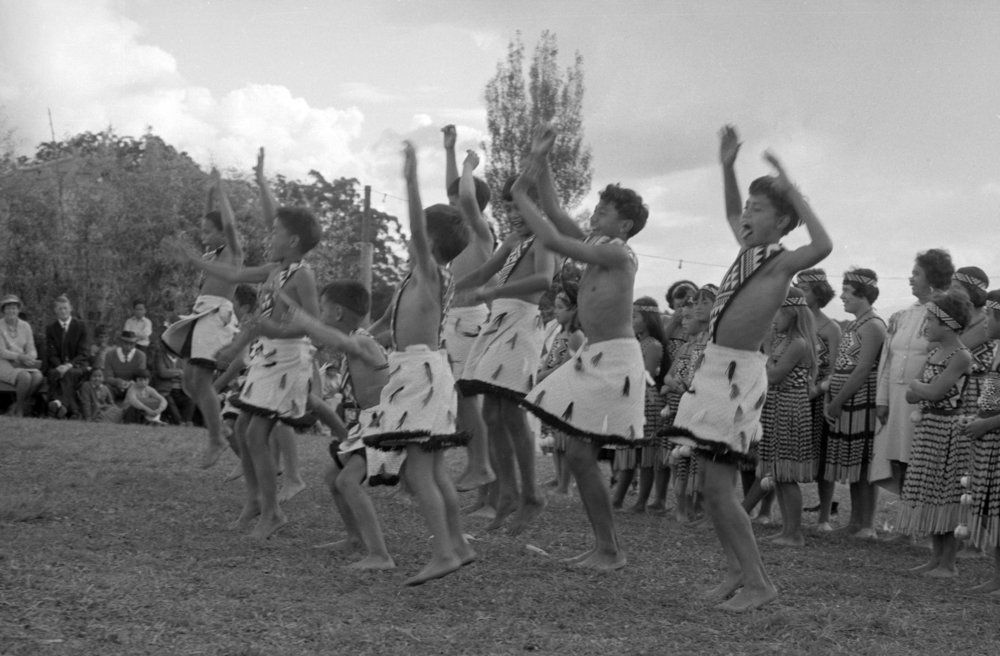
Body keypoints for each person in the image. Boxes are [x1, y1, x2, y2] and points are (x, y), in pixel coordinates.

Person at [661, 125, 831, 611]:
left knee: (718, 489)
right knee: (712, 490)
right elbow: (731, 210)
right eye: (749, 209)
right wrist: (727, 166)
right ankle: (737, 572)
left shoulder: (780, 262)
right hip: (714, 370)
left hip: (738, 377)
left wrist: (792, 189)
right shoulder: (747, 252)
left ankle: (759, 582)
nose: (746, 216)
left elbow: (823, 245)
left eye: (759, 210)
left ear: (782, 221)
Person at [515, 123, 649, 572]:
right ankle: (605, 547)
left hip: (615, 359)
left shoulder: (620, 254)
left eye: (604, 211)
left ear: (624, 224)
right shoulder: (598, 244)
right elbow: (555, 212)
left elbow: (553, 239)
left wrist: (519, 197)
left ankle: (610, 549)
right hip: (594, 355)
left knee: (579, 454)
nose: (595, 215)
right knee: (576, 454)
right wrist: (541, 160)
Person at [173, 196, 322, 541]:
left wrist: (274, 330)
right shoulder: (273, 270)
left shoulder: (302, 276)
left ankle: (273, 513)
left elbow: (313, 324)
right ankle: (256, 500)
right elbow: (235, 274)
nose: (270, 237)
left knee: (255, 434)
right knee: (241, 428)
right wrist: (194, 259)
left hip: (287, 359)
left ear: (293, 240)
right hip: (266, 356)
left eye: (275, 232)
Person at [362, 141, 474, 586]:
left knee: (418, 470)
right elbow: (391, 325)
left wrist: (410, 178)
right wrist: (366, 337)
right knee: (435, 470)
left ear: (427, 241)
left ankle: (444, 552)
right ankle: (458, 544)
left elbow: (415, 224)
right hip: (422, 370)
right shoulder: (414, 278)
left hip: (421, 374)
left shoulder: (431, 272)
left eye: (417, 231)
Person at [456, 172, 556, 535]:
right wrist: (447, 287)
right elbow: (485, 271)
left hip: (521, 324)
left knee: (511, 414)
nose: (513, 214)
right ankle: (508, 492)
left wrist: (493, 292)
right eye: (508, 208)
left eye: (518, 207)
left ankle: (531, 493)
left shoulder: (544, 239)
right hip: (498, 323)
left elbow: (544, 280)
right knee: (492, 414)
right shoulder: (515, 241)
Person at [281, 280, 395, 570]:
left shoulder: (362, 342)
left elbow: (334, 339)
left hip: (383, 424)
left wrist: (300, 315)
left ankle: (380, 555)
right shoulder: (358, 338)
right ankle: (354, 538)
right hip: (367, 425)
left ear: (338, 312)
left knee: (347, 481)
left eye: (322, 309)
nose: (319, 315)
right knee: (333, 477)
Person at [161, 167, 243, 469]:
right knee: (189, 382)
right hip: (201, 314)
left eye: (209, 231)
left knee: (201, 379)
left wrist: (221, 191)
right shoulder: (212, 255)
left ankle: (216, 437)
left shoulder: (233, 252)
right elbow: (212, 219)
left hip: (216, 315)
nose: (203, 235)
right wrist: (208, 194)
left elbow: (229, 223)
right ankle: (222, 431)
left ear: (222, 233)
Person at [896, 290, 973, 578]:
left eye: (930, 320)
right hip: (928, 426)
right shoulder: (934, 353)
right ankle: (935, 558)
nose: (925, 325)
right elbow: (913, 395)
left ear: (948, 324)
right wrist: (921, 389)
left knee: (946, 494)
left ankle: (948, 563)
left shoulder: (961, 355)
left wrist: (919, 387)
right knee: (929, 491)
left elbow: (934, 391)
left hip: (948, 430)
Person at [441, 130, 497, 493]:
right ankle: (477, 465)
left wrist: (467, 166)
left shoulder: (480, 231)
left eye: (458, 201)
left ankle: (480, 465)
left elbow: (462, 193)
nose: (451, 206)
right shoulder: (460, 233)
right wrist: (448, 152)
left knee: (466, 398)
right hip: (453, 318)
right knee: (455, 397)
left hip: (470, 320)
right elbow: (455, 191)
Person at [871, 249, 954, 492]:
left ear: (932, 276)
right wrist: (882, 400)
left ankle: (917, 513)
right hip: (897, 399)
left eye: (916, 274)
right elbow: (889, 359)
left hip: (923, 399)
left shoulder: (945, 315)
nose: (911, 278)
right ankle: (906, 514)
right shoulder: (903, 316)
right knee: (898, 461)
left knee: (918, 460)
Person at [753, 287, 817, 547]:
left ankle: (794, 532)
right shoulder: (783, 340)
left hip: (790, 408)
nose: (773, 319)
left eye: (777, 312)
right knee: (778, 473)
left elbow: (774, 375)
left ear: (792, 313)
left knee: (786, 472)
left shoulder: (799, 342)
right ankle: (787, 529)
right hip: (776, 406)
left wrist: (766, 348)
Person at [824, 269, 886, 540]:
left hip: (861, 398)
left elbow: (862, 369)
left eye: (847, 292)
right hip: (847, 399)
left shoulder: (873, 325)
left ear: (863, 294)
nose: (842, 296)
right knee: (853, 461)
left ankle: (867, 524)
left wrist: (838, 400)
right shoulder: (855, 324)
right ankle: (854, 521)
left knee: (863, 462)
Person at [611, 297, 670, 513]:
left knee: (645, 456)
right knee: (627, 452)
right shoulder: (635, 342)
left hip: (646, 401)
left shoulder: (653, 345)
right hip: (631, 399)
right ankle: (617, 499)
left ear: (648, 319)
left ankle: (641, 502)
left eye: (634, 316)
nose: (631, 320)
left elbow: (646, 375)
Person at [794, 269, 841, 530]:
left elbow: (835, 370)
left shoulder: (831, 328)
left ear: (819, 293)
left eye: (805, 289)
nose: (800, 293)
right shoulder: (793, 322)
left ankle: (824, 517)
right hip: (791, 394)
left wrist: (817, 390)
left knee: (823, 458)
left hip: (817, 398)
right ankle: (769, 509)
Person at [964, 289, 1000, 595]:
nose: (984, 321)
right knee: (990, 508)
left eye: (989, 314)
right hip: (990, 437)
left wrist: (985, 423)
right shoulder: (997, 349)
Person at [536, 288, 584, 495]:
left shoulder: (576, 335)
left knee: (565, 439)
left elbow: (567, 365)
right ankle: (558, 477)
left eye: (560, 307)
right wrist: (541, 373)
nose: (555, 311)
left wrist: (541, 376)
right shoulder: (559, 333)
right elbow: (550, 359)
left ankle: (565, 484)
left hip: (568, 390)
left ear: (574, 310)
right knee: (556, 437)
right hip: (554, 387)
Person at [44, 294, 90, 419]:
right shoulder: (51, 328)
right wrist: (60, 366)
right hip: (57, 366)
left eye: (65, 308)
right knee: (54, 374)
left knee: (70, 374)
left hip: (77, 365)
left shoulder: (81, 326)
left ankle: (58, 405)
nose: (63, 311)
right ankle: (73, 410)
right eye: (60, 308)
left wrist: (69, 365)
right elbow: (51, 353)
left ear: (71, 308)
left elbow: (84, 353)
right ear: (55, 310)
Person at [0, 294, 43, 416]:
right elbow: (2, 351)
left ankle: (16, 406)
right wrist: (20, 357)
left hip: (21, 362)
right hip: (3, 362)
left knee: (38, 376)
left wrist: (30, 357)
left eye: (14, 308)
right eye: (8, 308)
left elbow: (32, 349)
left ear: (18, 310)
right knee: (25, 377)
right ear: (3, 310)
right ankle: (20, 410)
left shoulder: (25, 326)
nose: (11, 311)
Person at [152, 336, 194, 425]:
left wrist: (171, 373)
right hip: (165, 390)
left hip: (181, 390)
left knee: (191, 400)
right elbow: (162, 373)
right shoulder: (160, 357)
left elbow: (187, 375)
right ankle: (180, 422)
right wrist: (179, 372)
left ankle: (187, 421)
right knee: (169, 401)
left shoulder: (182, 360)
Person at [104, 330, 148, 401]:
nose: (128, 346)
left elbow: (141, 376)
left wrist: (130, 383)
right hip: (114, 387)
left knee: (140, 389)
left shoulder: (141, 356)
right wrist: (117, 382)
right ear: (120, 342)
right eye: (126, 343)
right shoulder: (110, 355)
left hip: (133, 387)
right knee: (105, 388)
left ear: (135, 343)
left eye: (132, 343)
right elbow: (108, 377)